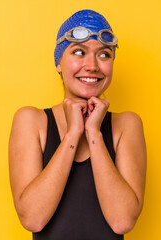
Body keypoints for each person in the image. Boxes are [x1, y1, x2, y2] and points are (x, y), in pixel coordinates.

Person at [9, 9, 147, 240]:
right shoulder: (31, 121)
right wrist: (73, 133)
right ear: (59, 64)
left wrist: (93, 132)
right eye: (79, 52)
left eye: (104, 55)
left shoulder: (127, 125)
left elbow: (122, 221)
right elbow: (32, 218)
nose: (92, 65)